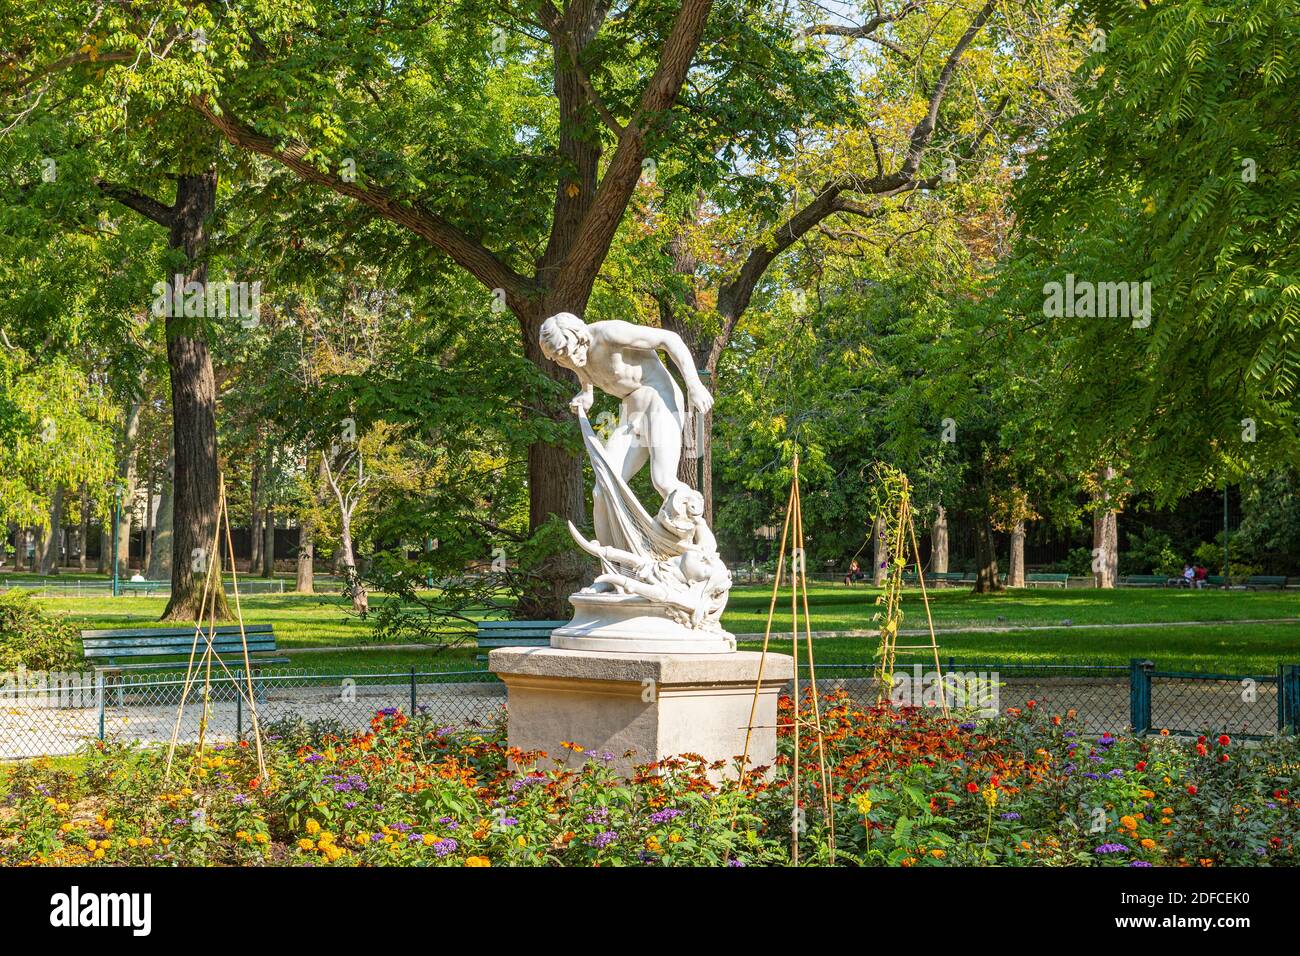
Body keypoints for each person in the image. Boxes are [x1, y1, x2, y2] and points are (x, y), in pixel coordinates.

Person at [539, 313, 713, 547]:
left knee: (663, 481)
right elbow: (585, 372)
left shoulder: (609, 334)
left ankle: (702, 541)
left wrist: (694, 386)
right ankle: (616, 565)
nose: (568, 360)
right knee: (603, 489)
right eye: (559, 358)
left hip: (659, 399)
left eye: (567, 351)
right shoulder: (572, 356)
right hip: (630, 412)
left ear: (578, 336)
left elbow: (669, 339)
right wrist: (586, 393)